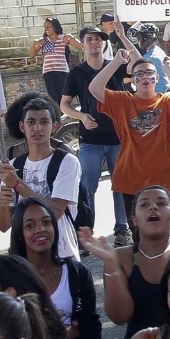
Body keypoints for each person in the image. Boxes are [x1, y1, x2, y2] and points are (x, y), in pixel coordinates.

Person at [7, 198, 103, 339]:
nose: (40, 230)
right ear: (20, 233)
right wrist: (66, 333)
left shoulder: (77, 273)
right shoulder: (9, 277)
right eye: (30, 225)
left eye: (46, 222)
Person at [90, 30, 170, 241]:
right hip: (132, 180)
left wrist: (168, 68)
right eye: (140, 74)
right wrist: (116, 61)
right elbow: (94, 87)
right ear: (133, 80)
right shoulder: (123, 101)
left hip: (167, 180)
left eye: (150, 73)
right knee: (140, 241)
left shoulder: (166, 100)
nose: (145, 77)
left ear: (156, 78)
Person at [84, 185, 170, 339]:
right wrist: (112, 265)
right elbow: (120, 317)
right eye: (144, 204)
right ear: (134, 220)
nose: (153, 207)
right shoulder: (120, 257)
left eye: (161, 203)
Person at [66, 27, 134, 247]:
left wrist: (122, 37)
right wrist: (81, 116)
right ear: (82, 44)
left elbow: (139, 63)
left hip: (118, 137)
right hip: (90, 139)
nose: (94, 43)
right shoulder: (76, 73)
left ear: (104, 44)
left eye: (99, 39)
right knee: (87, 186)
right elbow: (64, 105)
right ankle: (86, 233)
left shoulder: (115, 66)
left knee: (121, 184)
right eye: (89, 39)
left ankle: (122, 230)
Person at [0, 97, 83, 258]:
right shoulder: (14, 165)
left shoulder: (67, 162)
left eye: (44, 122)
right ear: (22, 127)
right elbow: (3, 226)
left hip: (61, 253)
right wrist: (2, 204)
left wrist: (17, 184)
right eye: (31, 122)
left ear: (54, 126)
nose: (37, 128)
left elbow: (55, 211)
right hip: (25, 257)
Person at [29, 17, 81, 105]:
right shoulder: (43, 41)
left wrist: (72, 38)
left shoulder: (63, 38)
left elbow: (80, 46)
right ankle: (58, 116)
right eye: (45, 27)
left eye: (49, 27)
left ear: (55, 27)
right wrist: (35, 43)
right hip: (48, 72)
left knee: (63, 95)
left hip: (62, 71)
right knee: (53, 97)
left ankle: (64, 113)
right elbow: (32, 55)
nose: (46, 29)